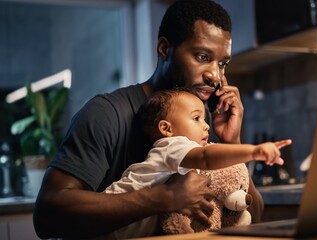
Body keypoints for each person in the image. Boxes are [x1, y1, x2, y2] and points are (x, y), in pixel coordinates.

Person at [33, 0, 268, 239]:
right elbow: (47, 216)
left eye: (222, 63)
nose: (215, 76)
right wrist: (165, 197)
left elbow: (254, 217)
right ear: (165, 49)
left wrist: (233, 143)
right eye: (201, 56)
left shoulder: (204, 120)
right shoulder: (106, 113)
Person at [104, 88, 291, 238]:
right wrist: (254, 151)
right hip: (108, 225)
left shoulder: (175, 153)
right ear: (166, 129)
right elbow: (206, 157)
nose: (206, 125)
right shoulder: (172, 145)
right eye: (196, 118)